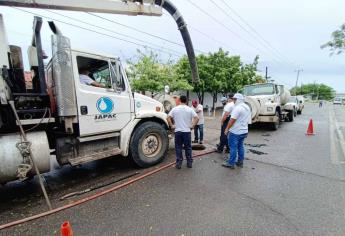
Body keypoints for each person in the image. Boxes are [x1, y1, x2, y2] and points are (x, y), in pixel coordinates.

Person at [167, 95, 199, 169]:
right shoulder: (189, 109)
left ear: (180, 100)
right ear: (186, 101)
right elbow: (197, 118)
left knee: (178, 147)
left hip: (178, 132)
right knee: (188, 147)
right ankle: (189, 163)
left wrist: (171, 125)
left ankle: (178, 163)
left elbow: (168, 117)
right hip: (187, 132)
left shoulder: (175, 109)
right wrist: (192, 126)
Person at [222, 93, 251, 169]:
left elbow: (232, 120)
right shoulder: (247, 107)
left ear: (238, 100)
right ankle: (240, 162)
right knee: (240, 146)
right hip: (244, 131)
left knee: (233, 147)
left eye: (235, 99)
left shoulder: (237, 108)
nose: (233, 101)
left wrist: (227, 129)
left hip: (236, 132)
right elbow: (249, 121)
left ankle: (231, 163)